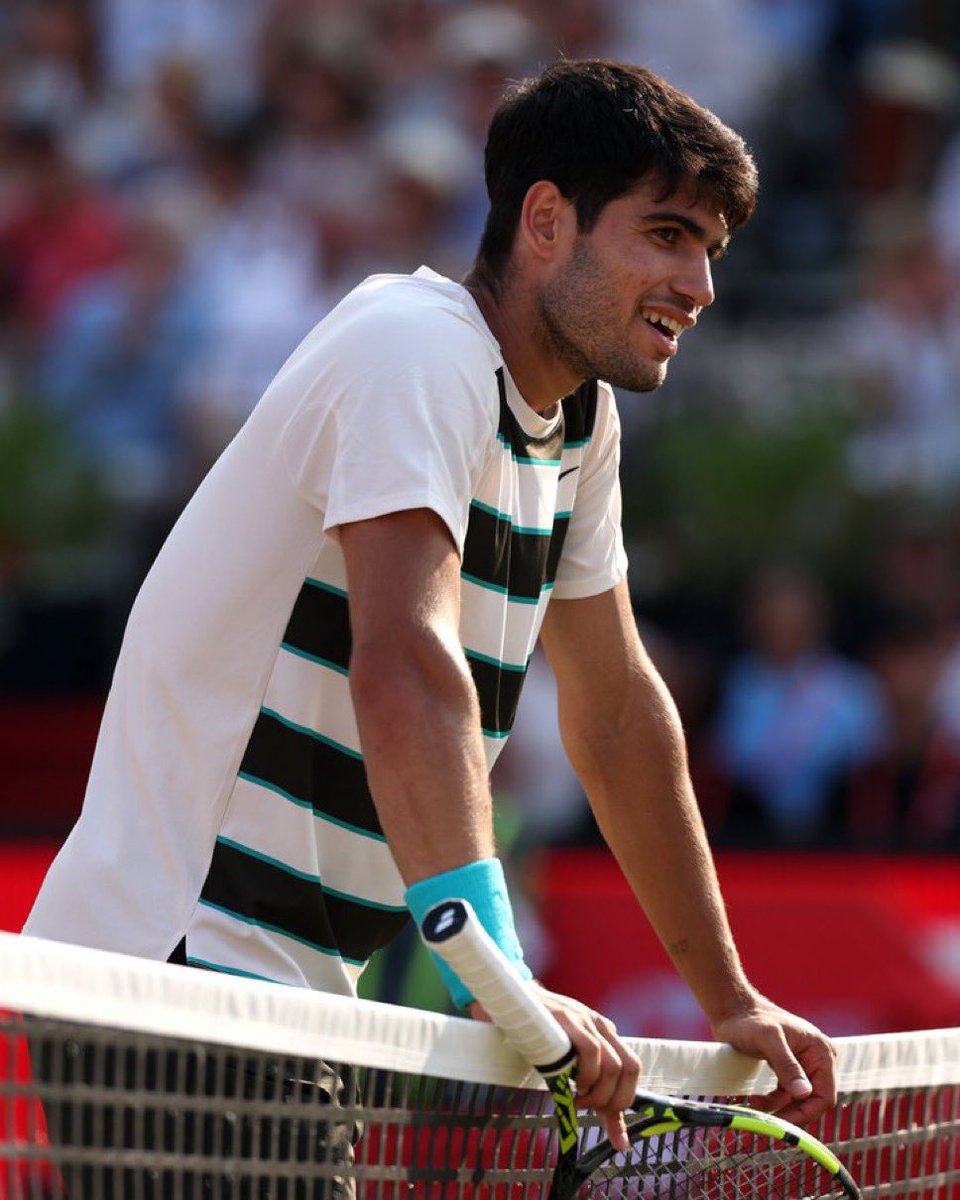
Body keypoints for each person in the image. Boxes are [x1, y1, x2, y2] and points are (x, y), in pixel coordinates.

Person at [24, 59, 837, 1175]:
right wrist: (504, 978)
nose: (698, 283)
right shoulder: (417, 343)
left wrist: (729, 997)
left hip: (276, 1004)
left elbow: (614, 711)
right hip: (181, 977)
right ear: (546, 220)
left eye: (709, 249)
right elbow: (406, 660)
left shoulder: (577, 425)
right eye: (665, 234)